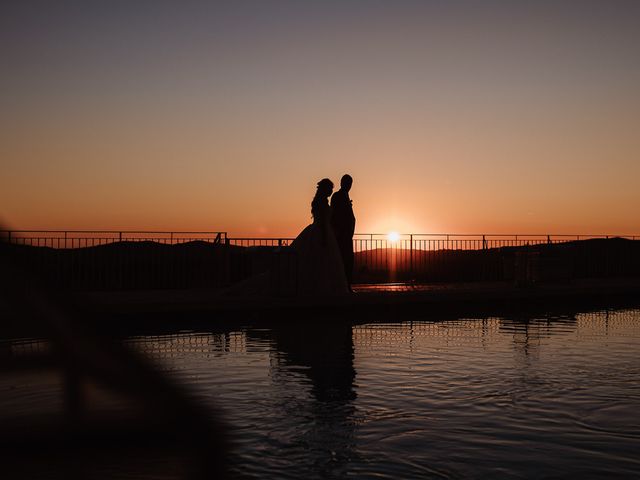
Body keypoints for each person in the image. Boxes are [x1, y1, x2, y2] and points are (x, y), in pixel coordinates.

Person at [290, 179, 349, 295]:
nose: (331, 191)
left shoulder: (320, 201)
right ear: (325, 189)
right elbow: (322, 221)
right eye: (330, 188)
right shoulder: (321, 202)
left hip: (321, 230)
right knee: (321, 259)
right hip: (321, 231)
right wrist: (324, 236)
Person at [330, 174, 356, 291]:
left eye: (350, 184)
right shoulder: (337, 196)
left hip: (347, 234)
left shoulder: (345, 195)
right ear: (342, 183)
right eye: (347, 183)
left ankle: (346, 285)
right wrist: (340, 231)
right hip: (341, 235)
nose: (349, 186)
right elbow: (334, 215)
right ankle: (344, 286)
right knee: (343, 261)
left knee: (348, 260)